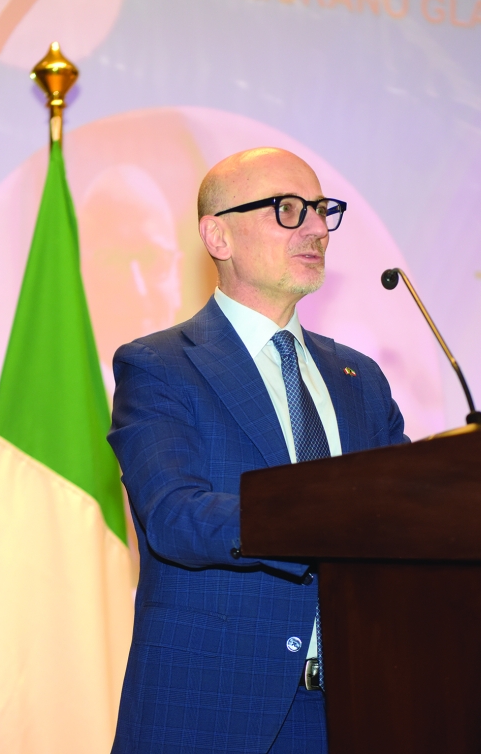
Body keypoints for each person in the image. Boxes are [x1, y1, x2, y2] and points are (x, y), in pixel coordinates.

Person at [108, 147, 408, 754]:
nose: (317, 228)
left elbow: (404, 516)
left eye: (322, 210)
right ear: (217, 235)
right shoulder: (159, 366)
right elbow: (175, 516)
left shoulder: (360, 378)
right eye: (288, 209)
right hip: (215, 712)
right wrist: (326, 518)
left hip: (360, 708)